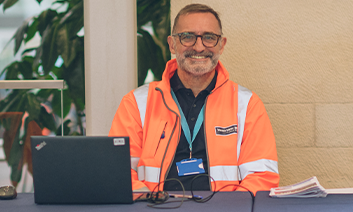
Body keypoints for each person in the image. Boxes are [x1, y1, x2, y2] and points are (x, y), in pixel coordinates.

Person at [110, 3, 278, 194]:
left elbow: (262, 177)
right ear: (172, 44)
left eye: (209, 37)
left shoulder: (246, 105)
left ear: (221, 45)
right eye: (188, 37)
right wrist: (150, 203)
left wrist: (228, 210)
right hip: (155, 210)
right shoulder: (136, 104)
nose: (199, 47)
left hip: (224, 211)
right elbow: (118, 172)